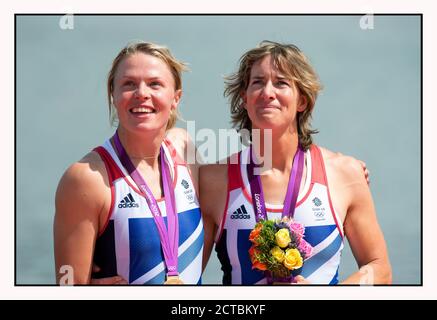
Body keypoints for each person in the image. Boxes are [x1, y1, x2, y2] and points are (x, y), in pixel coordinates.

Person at [200, 41, 392, 285]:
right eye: (257, 82)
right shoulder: (212, 181)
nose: (268, 92)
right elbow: (184, 278)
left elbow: (379, 269)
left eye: (281, 82)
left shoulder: (346, 174)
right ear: (245, 99)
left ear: (302, 100)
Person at [54, 42, 204, 285]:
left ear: (176, 98)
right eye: (128, 84)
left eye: (155, 84)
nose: (141, 93)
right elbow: (66, 286)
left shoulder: (185, 151)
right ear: (113, 95)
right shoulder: (86, 179)